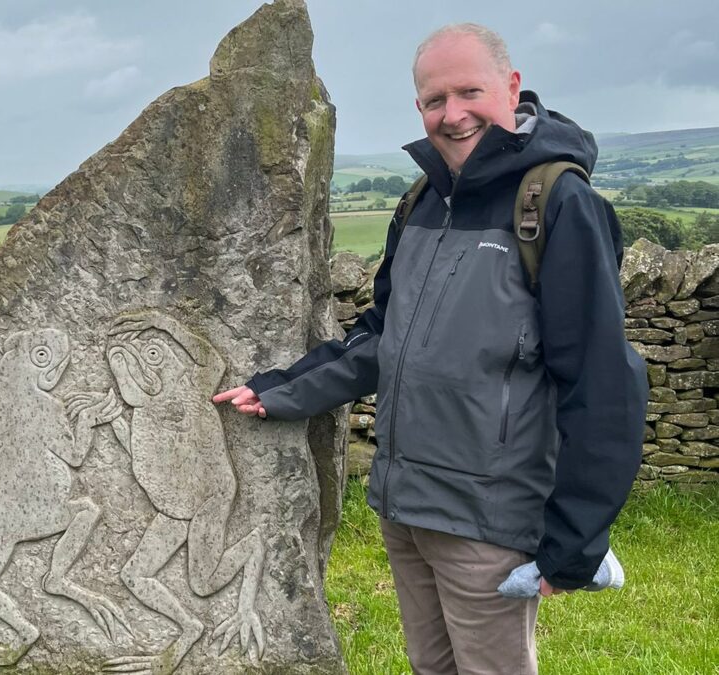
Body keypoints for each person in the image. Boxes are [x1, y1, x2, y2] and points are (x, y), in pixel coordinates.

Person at [214, 23, 647, 675]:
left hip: (487, 521)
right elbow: (383, 338)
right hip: (406, 506)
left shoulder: (556, 203)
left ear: (511, 86)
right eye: (433, 100)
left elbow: (603, 383)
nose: (453, 114)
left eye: (469, 91)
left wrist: (575, 539)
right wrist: (281, 390)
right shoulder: (421, 202)